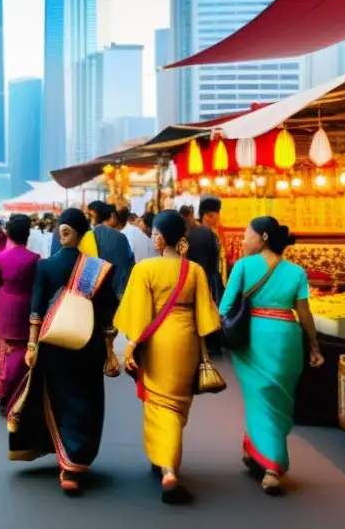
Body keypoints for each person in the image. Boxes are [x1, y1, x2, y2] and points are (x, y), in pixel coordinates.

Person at [6, 208, 117, 494]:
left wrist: (31, 345)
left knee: (59, 399)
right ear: (83, 234)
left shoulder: (45, 267)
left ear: (62, 232)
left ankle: (65, 460)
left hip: (53, 345)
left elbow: (36, 311)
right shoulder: (99, 268)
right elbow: (107, 317)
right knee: (86, 400)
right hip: (88, 346)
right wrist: (110, 352)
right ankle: (76, 461)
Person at [115, 210, 221, 504]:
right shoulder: (195, 271)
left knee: (159, 404)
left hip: (158, 343)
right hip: (186, 340)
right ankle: (167, 460)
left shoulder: (145, 270)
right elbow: (206, 320)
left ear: (160, 238)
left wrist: (131, 346)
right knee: (178, 404)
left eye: (154, 234)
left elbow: (136, 317)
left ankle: (168, 469)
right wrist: (203, 353)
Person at [222, 216, 324, 496]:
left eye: (246, 235)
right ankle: (254, 451)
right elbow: (304, 313)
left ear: (263, 237)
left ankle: (272, 468)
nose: (243, 241)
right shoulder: (296, 272)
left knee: (259, 397)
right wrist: (314, 346)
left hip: (254, 338)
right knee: (278, 399)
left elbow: (225, 307)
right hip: (286, 337)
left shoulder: (242, 266)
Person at [0, 214, 40, 415]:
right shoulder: (35, 259)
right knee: (24, 349)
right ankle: (20, 393)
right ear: (28, 234)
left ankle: (4, 393)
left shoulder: (1, 257)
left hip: (5, 307)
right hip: (27, 307)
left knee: (3, 351)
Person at [85, 201, 135, 297]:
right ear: (110, 216)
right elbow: (129, 265)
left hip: (92, 293)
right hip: (116, 293)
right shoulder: (121, 237)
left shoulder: (86, 236)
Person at [187, 196, 226, 303]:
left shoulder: (195, 231)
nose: (219, 218)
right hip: (205, 284)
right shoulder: (205, 234)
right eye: (218, 214)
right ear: (209, 216)